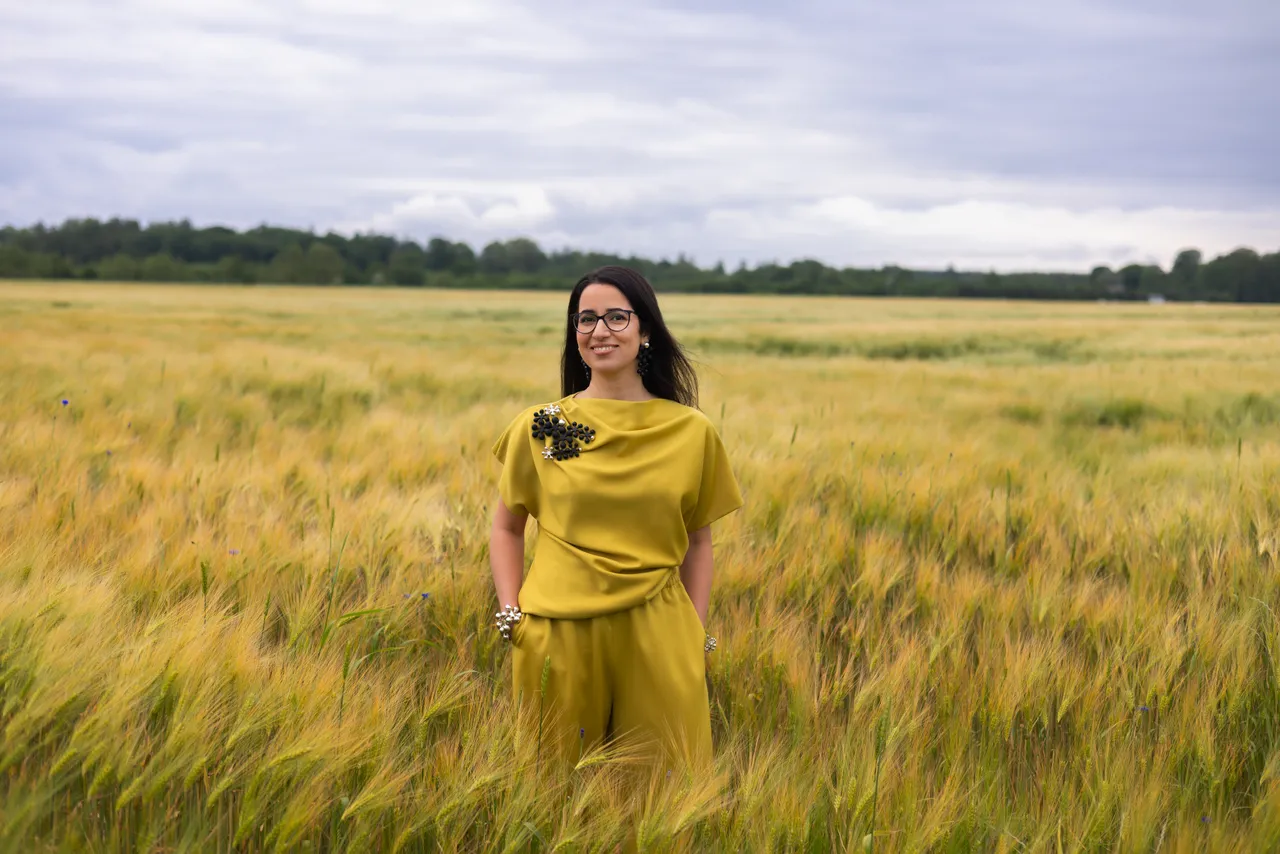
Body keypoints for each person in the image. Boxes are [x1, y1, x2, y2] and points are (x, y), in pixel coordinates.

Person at [489, 265, 743, 770]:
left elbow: (699, 541)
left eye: (616, 317)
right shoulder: (543, 426)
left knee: (664, 793)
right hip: (555, 632)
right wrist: (511, 614)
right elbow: (507, 525)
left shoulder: (691, 432)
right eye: (585, 320)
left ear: (645, 330)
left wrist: (694, 631)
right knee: (549, 794)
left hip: (660, 630)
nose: (599, 331)